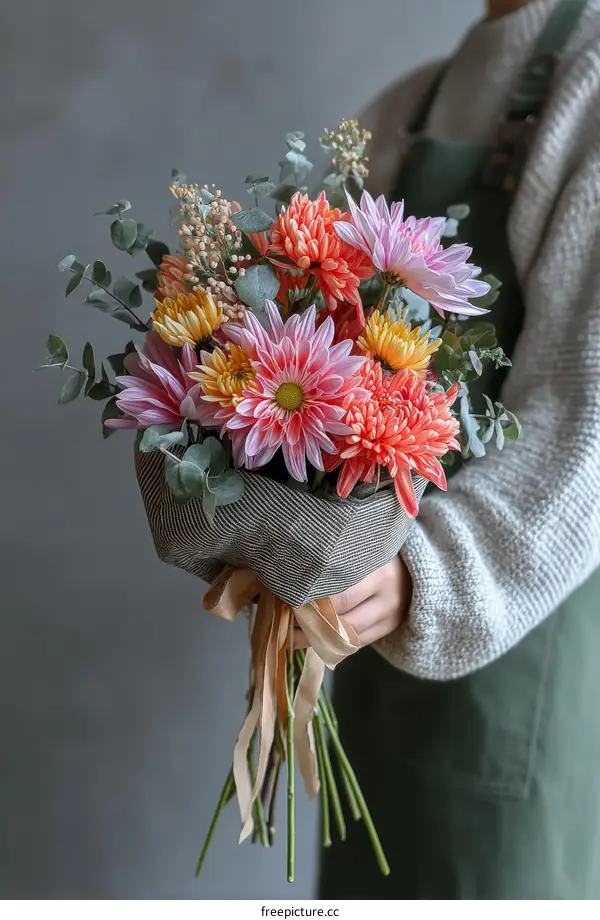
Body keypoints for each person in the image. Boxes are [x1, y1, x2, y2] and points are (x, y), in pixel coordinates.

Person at [314, 0, 600, 900]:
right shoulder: (402, 108)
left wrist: (431, 574)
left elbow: (583, 410)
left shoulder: (589, 81)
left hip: (510, 675)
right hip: (361, 651)